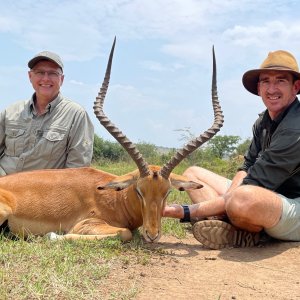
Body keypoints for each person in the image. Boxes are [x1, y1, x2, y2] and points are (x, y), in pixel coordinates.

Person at [163, 49, 300, 250]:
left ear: (295, 87)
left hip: (293, 203)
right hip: (268, 195)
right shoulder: (263, 121)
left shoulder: (295, 129)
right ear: (259, 88)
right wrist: (228, 196)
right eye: (265, 81)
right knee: (193, 174)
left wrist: (181, 211)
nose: (272, 89)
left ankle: (241, 227)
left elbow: (255, 183)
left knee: (242, 199)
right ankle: (227, 222)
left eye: (280, 81)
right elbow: (247, 166)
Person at [0, 51, 94, 175]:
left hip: (42, 192)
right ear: (30, 76)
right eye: (39, 72)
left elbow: (76, 171)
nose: (45, 78)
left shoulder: (76, 115)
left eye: (53, 73)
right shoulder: (11, 111)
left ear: (62, 79)